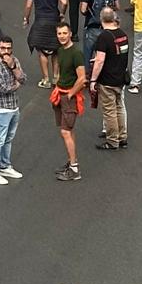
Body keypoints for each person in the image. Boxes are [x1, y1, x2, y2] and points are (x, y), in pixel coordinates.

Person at [0, 33, 26, 185]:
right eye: (3, 48)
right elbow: (3, 87)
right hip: (1, 107)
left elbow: (23, 78)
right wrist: (16, 83)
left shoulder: (14, 61)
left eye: (9, 48)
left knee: (9, 138)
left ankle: (5, 165)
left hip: (14, 105)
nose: (6, 51)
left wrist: (13, 67)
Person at [88, 7, 130, 151]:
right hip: (120, 78)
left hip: (107, 80)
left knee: (109, 111)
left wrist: (93, 80)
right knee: (119, 107)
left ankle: (112, 140)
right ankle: (122, 136)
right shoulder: (123, 35)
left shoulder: (104, 37)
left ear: (101, 19)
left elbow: (100, 60)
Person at [51, 23, 86, 182]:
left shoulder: (76, 53)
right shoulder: (60, 50)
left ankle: (74, 169)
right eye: (59, 33)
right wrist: (57, 81)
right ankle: (72, 161)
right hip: (61, 94)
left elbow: (82, 78)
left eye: (65, 33)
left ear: (70, 34)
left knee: (65, 131)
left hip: (69, 97)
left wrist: (71, 94)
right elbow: (59, 68)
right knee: (69, 130)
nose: (62, 36)